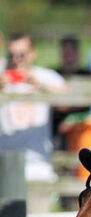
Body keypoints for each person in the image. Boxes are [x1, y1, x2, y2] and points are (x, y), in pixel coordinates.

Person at [0, 33, 67, 182]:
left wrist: (40, 85)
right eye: (11, 55)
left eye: (21, 55)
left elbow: (68, 100)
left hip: (37, 165)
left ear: (32, 54)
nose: (16, 60)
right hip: (5, 164)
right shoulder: (2, 74)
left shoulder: (45, 76)